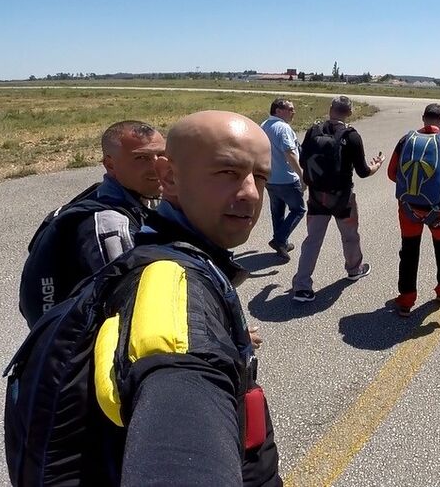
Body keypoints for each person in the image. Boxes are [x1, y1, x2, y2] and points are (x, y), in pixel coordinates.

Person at [93, 110, 281, 485]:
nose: (250, 193)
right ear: (170, 177)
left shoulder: (172, 250)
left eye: (260, 177)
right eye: (228, 172)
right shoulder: (172, 286)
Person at [19, 120, 165, 327]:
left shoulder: (102, 195)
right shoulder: (111, 224)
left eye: (161, 154)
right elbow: (129, 310)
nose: (158, 165)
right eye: (141, 158)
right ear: (111, 165)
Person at [291, 96, 383, 303]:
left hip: (316, 197)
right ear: (349, 113)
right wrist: (376, 165)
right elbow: (362, 171)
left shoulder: (313, 131)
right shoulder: (352, 137)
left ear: (331, 109)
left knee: (312, 241)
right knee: (350, 236)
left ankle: (302, 287)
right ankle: (354, 269)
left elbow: (304, 161)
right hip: (342, 199)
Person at [387, 103, 440, 316]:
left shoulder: (405, 140)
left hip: (408, 208)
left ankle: (406, 300)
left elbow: (392, 173)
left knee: (409, 251)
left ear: (423, 118)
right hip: (439, 210)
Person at [261, 97, 306, 260]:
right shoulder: (283, 128)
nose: (293, 112)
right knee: (298, 209)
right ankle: (279, 240)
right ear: (278, 111)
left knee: (277, 211)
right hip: (286, 179)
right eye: (290, 109)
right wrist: (302, 176)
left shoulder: (264, 125)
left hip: (270, 178)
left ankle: (282, 244)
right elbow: (290, 153)